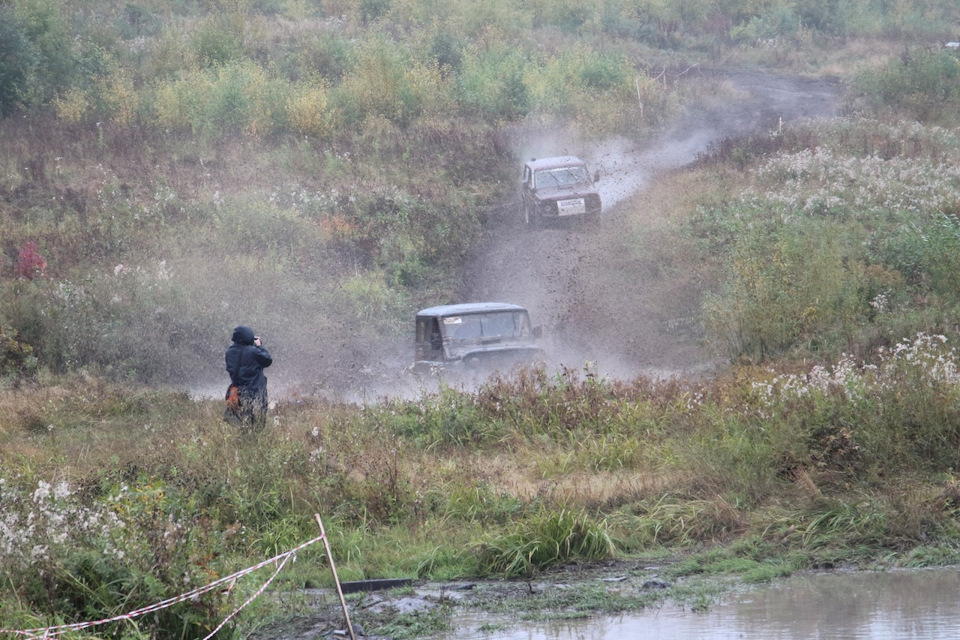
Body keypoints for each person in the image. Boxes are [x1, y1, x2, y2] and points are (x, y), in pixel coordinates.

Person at [225, 325, 273, 431]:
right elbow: (267, 360)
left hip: (238, 390)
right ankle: (254, 437)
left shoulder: (229, 352)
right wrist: (259, 346)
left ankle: (244, 435)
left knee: (243, 417)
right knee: (258, 419)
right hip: (255, 390)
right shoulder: (253, 351)